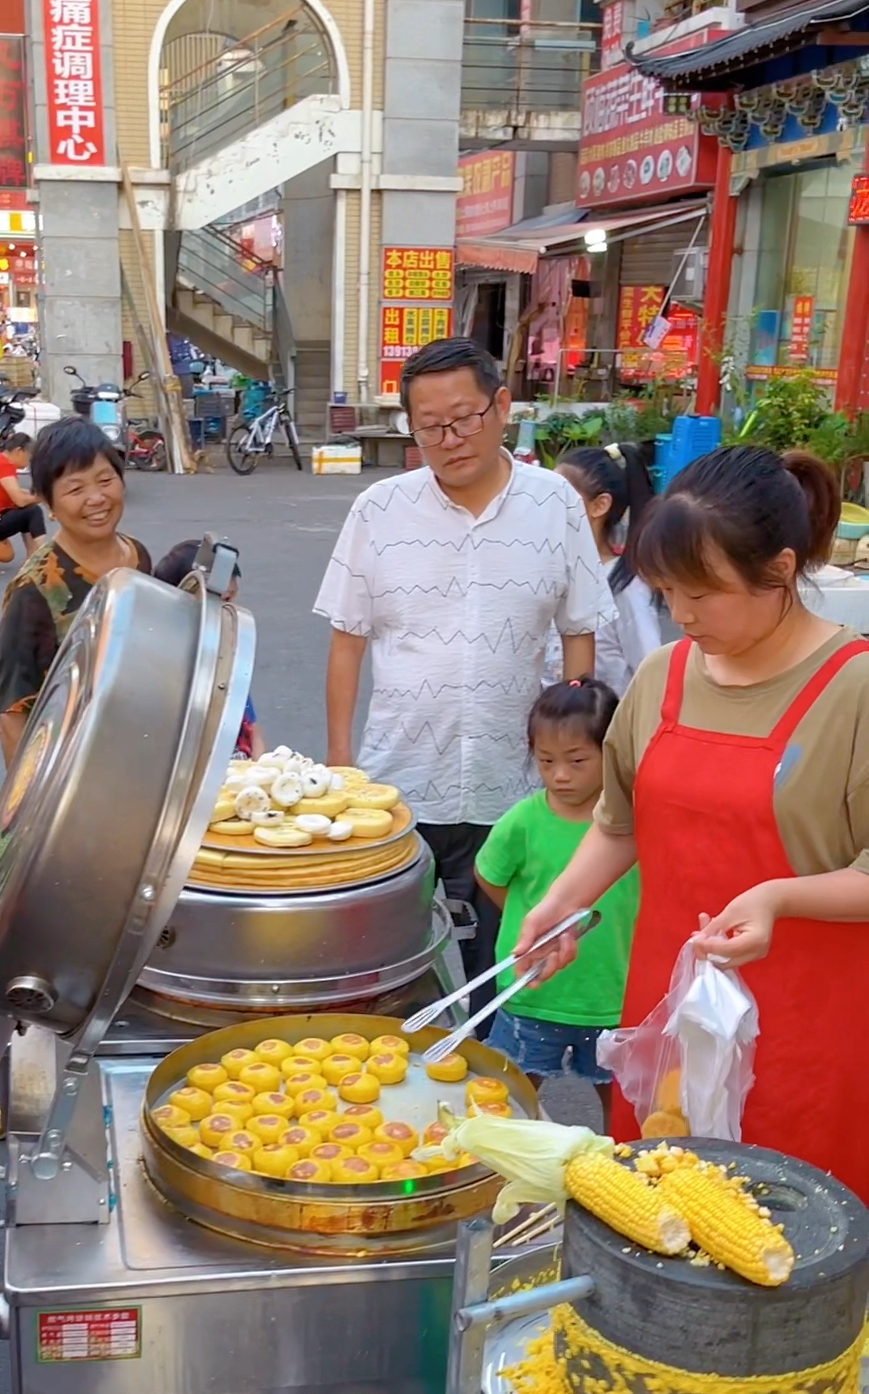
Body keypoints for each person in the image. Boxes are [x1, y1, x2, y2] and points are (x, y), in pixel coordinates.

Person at [514, 445, 869, 1201]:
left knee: (791, 1228)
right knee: (661, 1215)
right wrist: (561, 904)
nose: (680, 615)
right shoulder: (661, 676)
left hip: (804, 1025)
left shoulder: (856, 687)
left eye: (702, 593)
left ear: (779, 569)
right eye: (666, 591)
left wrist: (777, 897)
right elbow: (620, 825)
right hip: (667, 1010)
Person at [317, 336, 614, 994]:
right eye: (429, 428)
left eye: (465, 418)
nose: (450, 439)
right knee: (384, 979)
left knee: (501, 976)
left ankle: (488, 1088)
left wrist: (578, 755)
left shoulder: (555, 505)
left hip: (512, 786)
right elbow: (348, 639)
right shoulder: (380, 511)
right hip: (399, 789)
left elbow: (578, 633)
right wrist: (342, 763)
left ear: (502, 406)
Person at [475, 679, 638, 1129]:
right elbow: (489, 875)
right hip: (532, 991)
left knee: (624, 1103)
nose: (560, 775)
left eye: (578, 761)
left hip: (613, 995)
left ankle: (625, 1169)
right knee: (512, 1098)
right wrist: (531, 921)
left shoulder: (637, 823)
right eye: (546, 761)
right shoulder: (525, 820)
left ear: (614, 754)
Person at [0, 418, 153, 766]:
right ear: (49, 505)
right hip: (70, 772)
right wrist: (27, 811)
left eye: (105, 480)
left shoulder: (137, 556)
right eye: (75, 489)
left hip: (139, 755)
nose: (96, 498)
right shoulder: (34, 590)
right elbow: (12, 713)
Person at [554, 443, 660, 692]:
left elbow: (651, 670)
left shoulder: (625, 587)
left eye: (560, 497)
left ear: (599, 505)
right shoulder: (551, 571)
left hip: (605, 725)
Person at [153, 539, 265, 758]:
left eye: (232, 598)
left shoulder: (225, 656)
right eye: (222, 600)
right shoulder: (160, 670)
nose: (230, 610)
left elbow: (254, 732)